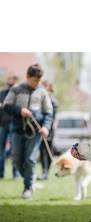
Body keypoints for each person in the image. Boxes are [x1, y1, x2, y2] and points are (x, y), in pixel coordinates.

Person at [3, 64, 53, 199]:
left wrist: (46, 127)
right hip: (17, 130)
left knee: (30, 159)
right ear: (27, 77)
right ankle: (30, 179)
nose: (37, 83)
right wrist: (19, 111)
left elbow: (48, 112)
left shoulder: (43, 92)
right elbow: (6, 106)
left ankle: (28, 188)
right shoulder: (16, 89)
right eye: (34, 80)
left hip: (35, 132)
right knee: (16, 160)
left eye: (39, 80)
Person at [0, 74, 19, 178]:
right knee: (1, 151)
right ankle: (1, 173)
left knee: (14, 150)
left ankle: (15, 174)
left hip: (13, 124)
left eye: (11, 79)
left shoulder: (18, 93)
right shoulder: (2, 93)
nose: (9, 81)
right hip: (3, 124)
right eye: (9, 79)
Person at [38, 80, 58, 180]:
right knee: (43, 150)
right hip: (42, 128)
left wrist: (46, 126)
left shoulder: (52, 101)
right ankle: (44, 171)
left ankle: (46, 172)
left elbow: (51, 116)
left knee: (46, 150)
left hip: (48, 129)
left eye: (43, 86)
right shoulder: (43, 99)